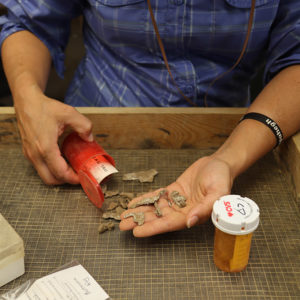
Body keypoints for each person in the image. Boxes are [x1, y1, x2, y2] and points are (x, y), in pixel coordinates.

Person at [0, 0, 299, 237]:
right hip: (92, 129)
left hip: (238, 136)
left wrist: (228, 159)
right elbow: (28, 21)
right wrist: (27, 99)